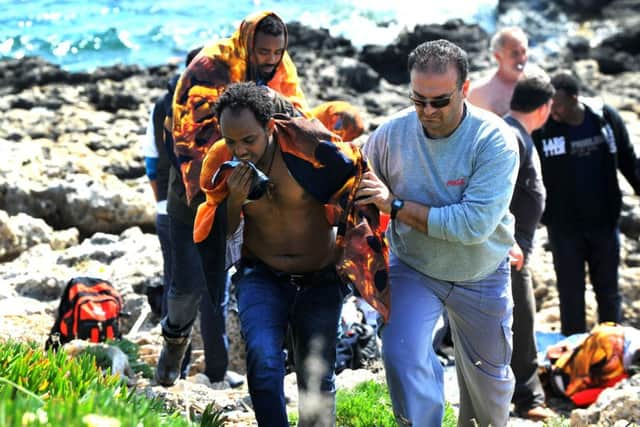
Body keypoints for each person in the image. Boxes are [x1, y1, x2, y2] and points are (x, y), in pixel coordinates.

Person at [194, 82, 387, 426]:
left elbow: (355, 173)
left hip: (321, 278)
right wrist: (236, 200)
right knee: (263, 361)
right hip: (262, 275)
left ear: (270, 127)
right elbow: (216, 235)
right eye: (231, 141)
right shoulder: (221, 163)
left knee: (316, 377)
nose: (240, 150)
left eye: (249, 140)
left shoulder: (307, 149)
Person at [358, 39, 519, 427]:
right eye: (418, 100)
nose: (427, 111)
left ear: (464, 90)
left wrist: (394, 205)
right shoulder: (392, 134)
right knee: (400, 353)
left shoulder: (494, 140)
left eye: (439, 101)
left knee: (490, 393)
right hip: (414, 266)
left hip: (481, 272)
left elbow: (472, 226)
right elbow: (356, 180)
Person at [153, 47, 244, 388]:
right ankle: (180, 365)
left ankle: (211, 372)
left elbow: (162, 160)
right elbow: (170, 157)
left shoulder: (174, 103)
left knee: (210, 290)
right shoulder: (173, 106)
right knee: (190, 288)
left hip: (201, 206)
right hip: (187, 208)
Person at [532, 71, 640, 336]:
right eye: (548, 104)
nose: (551, 110)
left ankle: (612, 352)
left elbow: (627, 159)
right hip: (563, 229)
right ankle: (574, 353)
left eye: (556, 104)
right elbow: (526, 172)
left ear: (574, 98)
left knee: (609, 293)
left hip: (604, 223)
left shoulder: (604, 119)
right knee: (570, 296)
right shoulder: (543, 130)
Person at [503, 68, 557, 421]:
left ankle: (517, 392)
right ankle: (527, 397)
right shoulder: (512, 136)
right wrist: (506, 239)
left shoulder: (517, 132)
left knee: (516, 320)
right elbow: (493, 194)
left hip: (514, 249)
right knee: (521, 320)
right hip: (509, 252)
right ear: (546, 107)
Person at [467, 27, 528, 117]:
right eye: (514, 53)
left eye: (524, 51)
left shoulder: (536, 81)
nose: (521, 59)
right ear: (498, 56)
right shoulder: (479, 93)